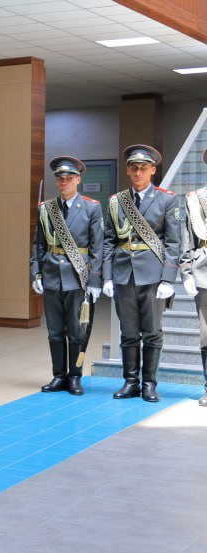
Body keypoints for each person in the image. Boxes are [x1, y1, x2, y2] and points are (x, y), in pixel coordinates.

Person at [102, 144, 181, 403]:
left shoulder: (167, 199)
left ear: (152, 170)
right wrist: (107, 276)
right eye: (133, 168)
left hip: (153, 276)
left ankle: (149, 383)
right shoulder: (116, 201)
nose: (138, 173)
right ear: (127, 170)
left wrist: (168, 278)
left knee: (152, 332)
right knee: (128, 331)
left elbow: (173, 242)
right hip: (124, 275)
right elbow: (108, 241)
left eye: (143, 168)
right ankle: (130, 381)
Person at [30, 157, 104, 396]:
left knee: (76, 330)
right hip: (52, 275)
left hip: (77, 276)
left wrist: (94, 280)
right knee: (54, 331)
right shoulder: (46, 208)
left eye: (69, 178)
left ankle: (75, 376)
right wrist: (36, 272)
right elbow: (38, 245)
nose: (63, 182)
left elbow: (97, 248)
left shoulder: (91, 207)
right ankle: (58, 375)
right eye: (60, 178)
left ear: (78, 180)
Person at [179, 150, 207, 407]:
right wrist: (186, 271)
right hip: (204, 271)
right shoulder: (196, 199)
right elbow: (188, 237)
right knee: (206, 334)